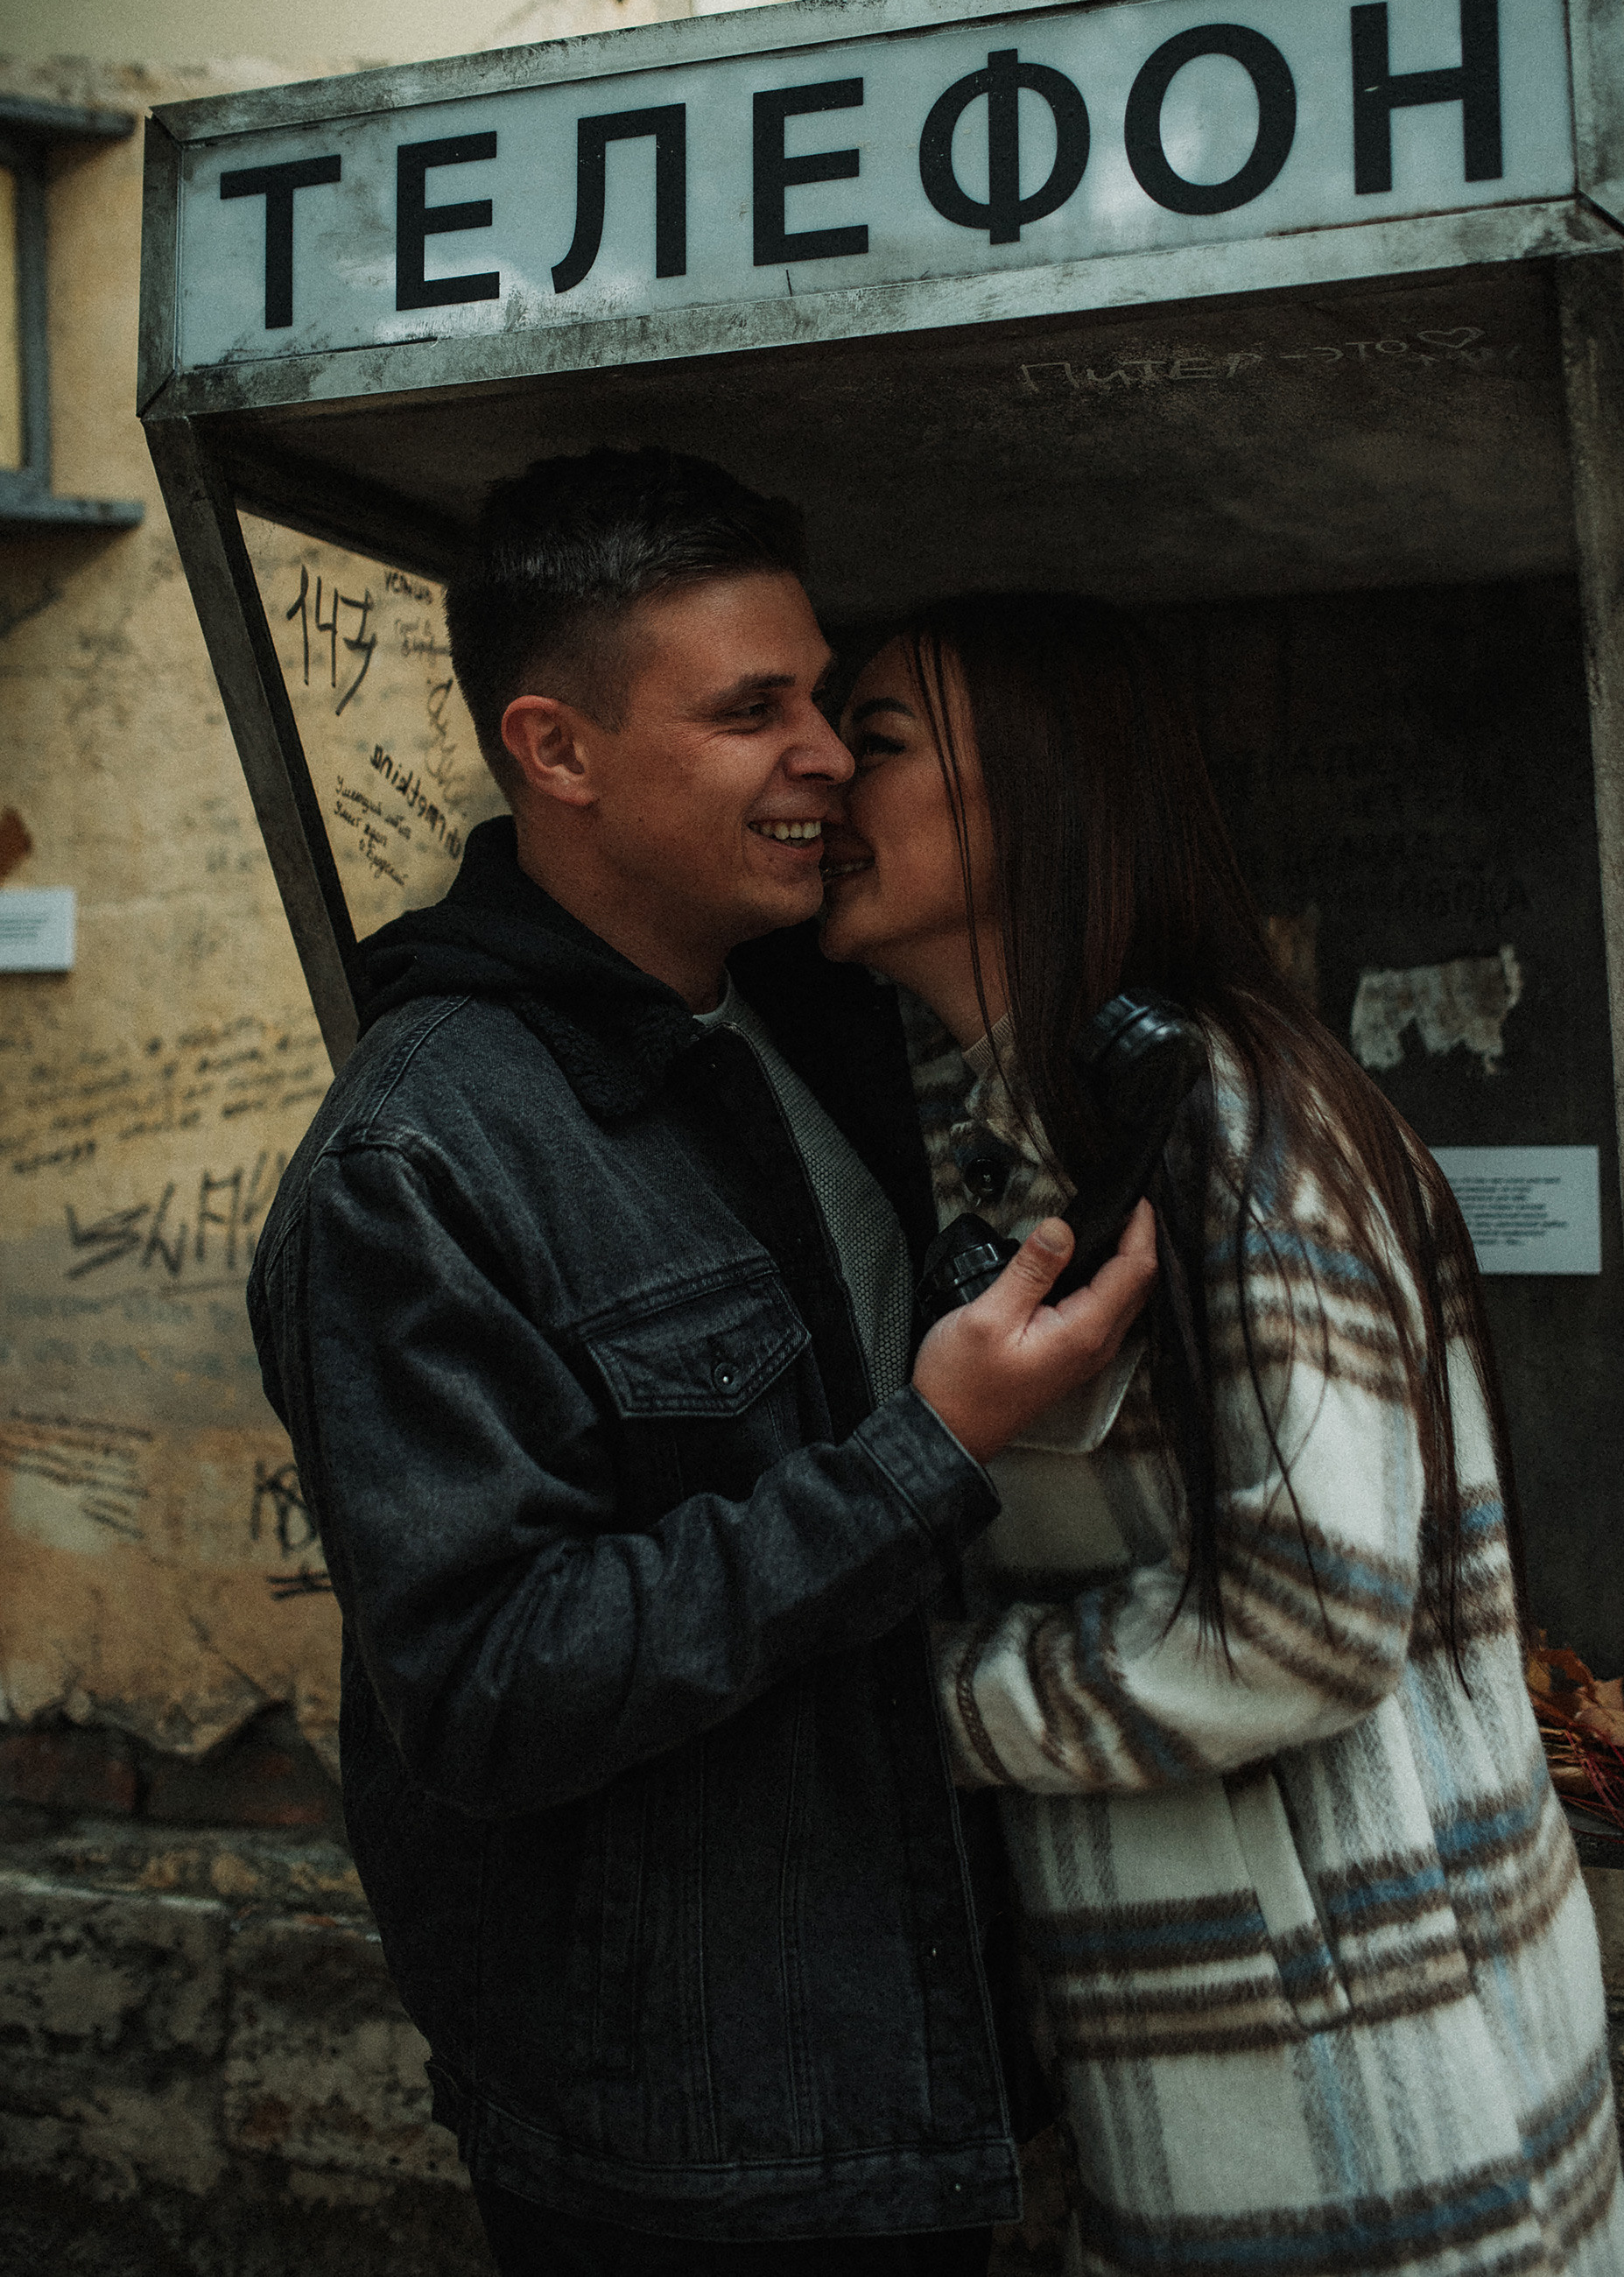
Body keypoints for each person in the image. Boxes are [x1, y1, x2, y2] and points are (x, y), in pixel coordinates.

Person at [246, 455, 1156, 2277]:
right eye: (755, 710)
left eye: (820, 696)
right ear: (557, 751)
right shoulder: (416, 1164)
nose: (824, 750)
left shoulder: (804, 1015)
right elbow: (492, 1681)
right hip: (689, 2139)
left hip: (925, 2039)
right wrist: (927, 1449)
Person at [819, 591, 1624, 2277]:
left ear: (1039, 789)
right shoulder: (1011, 1119)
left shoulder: (1234, 1116)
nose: (826, 777)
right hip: (1199, 2053)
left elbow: (1308, 1619)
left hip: (1369, 2065)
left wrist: (900, 1701)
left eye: (881, 740)